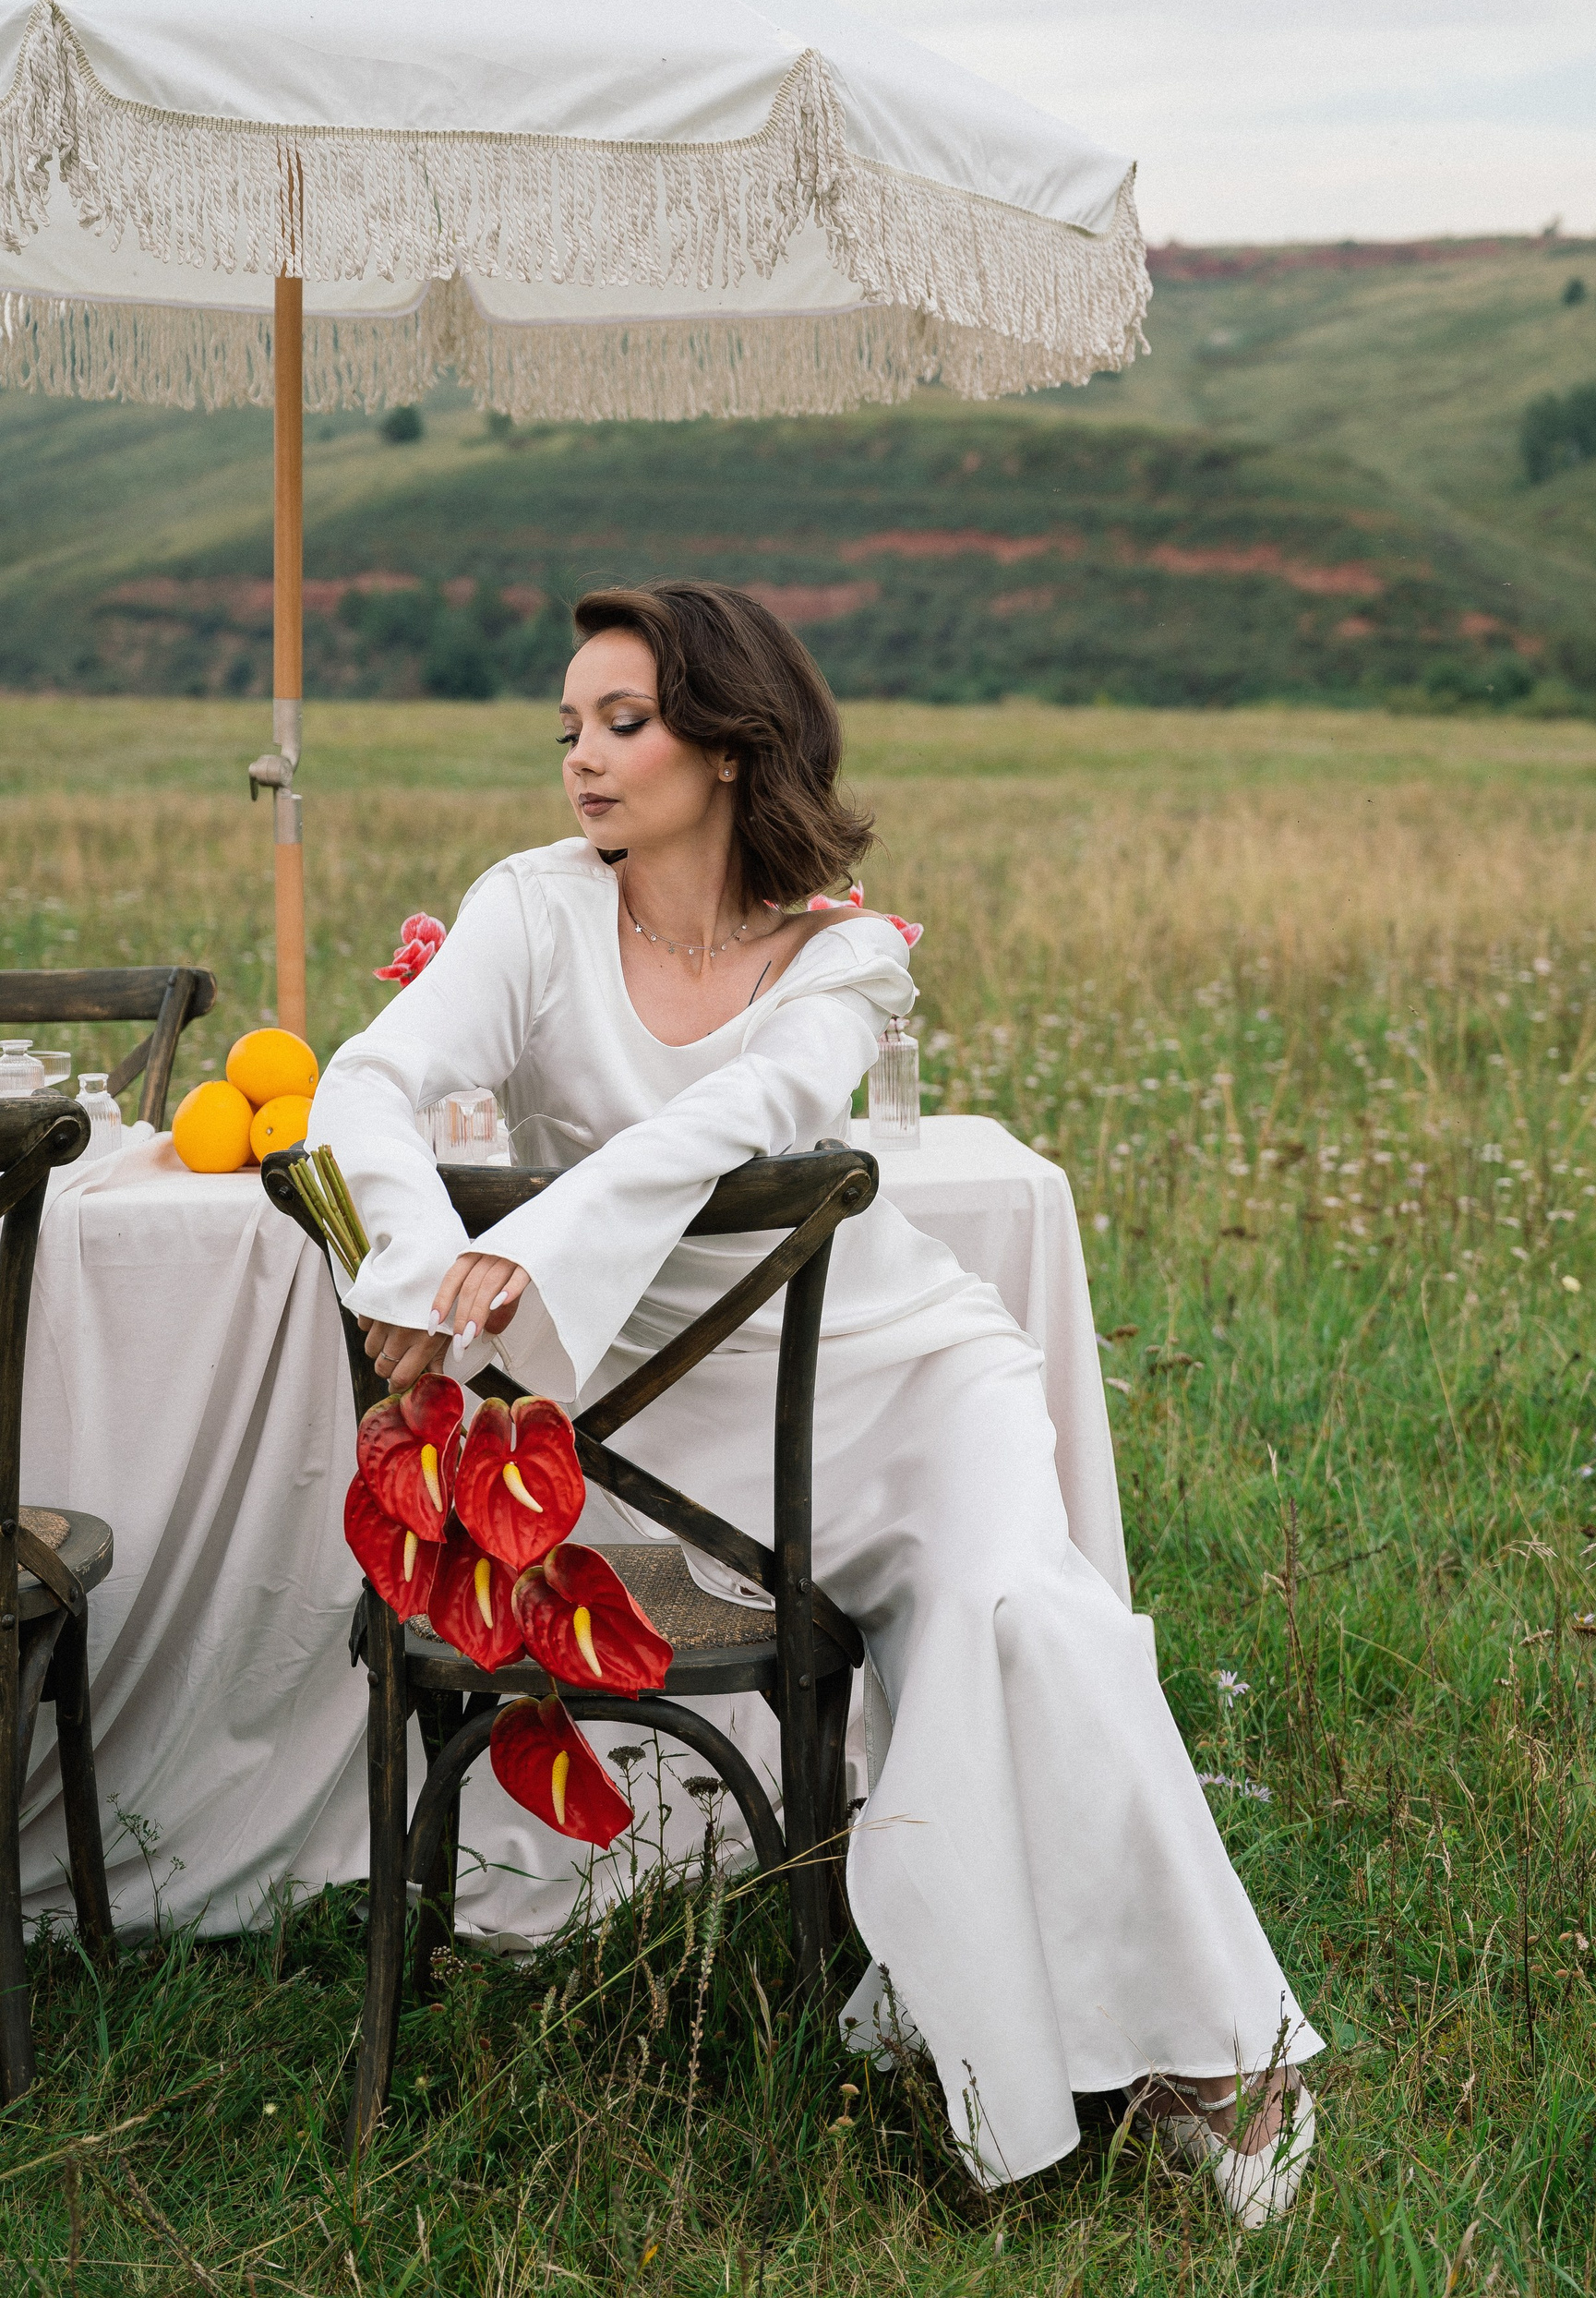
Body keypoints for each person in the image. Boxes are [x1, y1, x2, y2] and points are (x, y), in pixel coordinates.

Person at [309, 580, 1322, 2221]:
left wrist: (536, 1242)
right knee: (1017, 1632)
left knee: (1027, 1619)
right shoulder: (531, 909)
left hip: (908, 1376)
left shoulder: (849, 956)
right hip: (680, 1420)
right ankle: (1074, 2058)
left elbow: (735, 1120)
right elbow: (366, 1078)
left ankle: (1206, 2056)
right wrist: (424, 1265)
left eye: (624, 722)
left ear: (728, 743)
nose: (582, 758)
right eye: (569, 728)